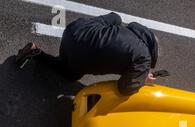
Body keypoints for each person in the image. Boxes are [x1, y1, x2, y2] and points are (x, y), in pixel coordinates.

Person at [15, 12, 158, 96]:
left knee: (115, 18)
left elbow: (114, 18)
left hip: (73, 30)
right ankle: (35, 52)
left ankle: (67, 56)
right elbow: (126, 88)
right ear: (152, 52)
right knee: (70, 74)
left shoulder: (131, 33)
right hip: (78, 52)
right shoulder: (144, 57)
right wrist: (143, 78)